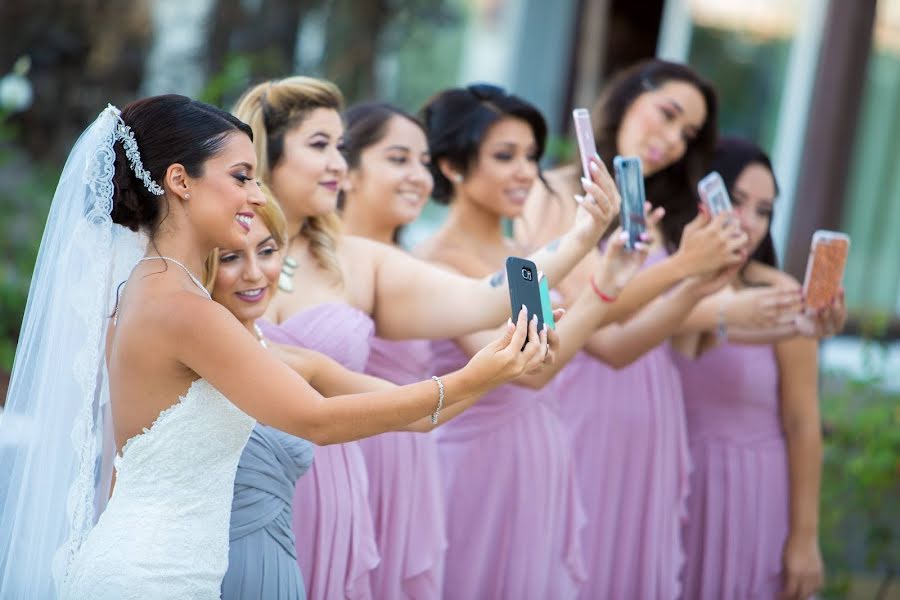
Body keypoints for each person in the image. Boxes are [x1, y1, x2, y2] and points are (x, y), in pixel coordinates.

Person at [0, 95, 548, 599]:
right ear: (179, 181)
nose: (256, 196)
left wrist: (492, 371)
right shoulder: (181, 306)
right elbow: (316, 419)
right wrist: (474, 376)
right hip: (152, 577)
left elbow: (404, 412)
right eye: (241, 177)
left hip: (168, 569)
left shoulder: (155, 288)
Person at [232, 76, 614, 599]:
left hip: (337, 484)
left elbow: (482, 297)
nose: (338, 165)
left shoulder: (360, 260)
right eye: (320, 146)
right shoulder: (218, 251)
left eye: (341, 148)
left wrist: (582, 236)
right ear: (264, 153)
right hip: (235, 493)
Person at [521, 59, 758, 599]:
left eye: (688, 134)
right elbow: (599, 332)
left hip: (651, 415)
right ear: (629, 97)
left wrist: (707, 284)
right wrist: (682, 271)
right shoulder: (556, 194)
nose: (672, 140)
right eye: (668, 115)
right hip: (582, 408)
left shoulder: (661, 214)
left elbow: (661, 334)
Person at [415, 83, 648, 599]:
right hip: (477, 466)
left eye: (531, 156)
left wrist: (606, 279)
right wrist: (602, 289)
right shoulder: (435, 262)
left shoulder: (525, 248)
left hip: (540, 456)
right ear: (452, 166)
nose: (525, 171)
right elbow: (529, 368)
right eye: (505, 155)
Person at [673, 137, 843, 600]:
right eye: (736, 201)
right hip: (661, 483)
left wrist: (804, 538)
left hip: (745, 493)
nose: (748, 222)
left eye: (764, 210)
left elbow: (803, 422)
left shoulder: (782, 295)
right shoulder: (659, 280)